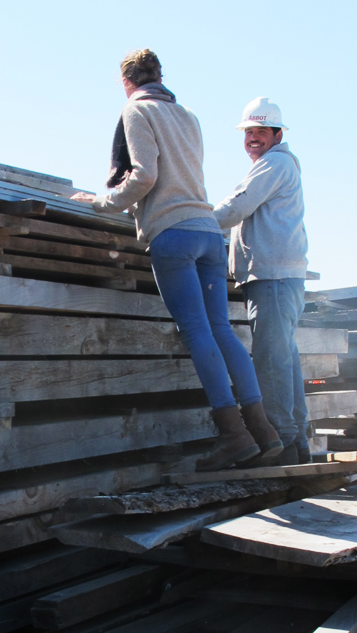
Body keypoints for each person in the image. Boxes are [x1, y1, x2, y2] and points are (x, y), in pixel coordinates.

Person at [71, 50, 281, 470]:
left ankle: (234, 436)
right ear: (160, 76)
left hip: (174, 233)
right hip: (207, 231)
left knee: (197, 332)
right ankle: (264, 431)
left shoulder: (136, 110)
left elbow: (145, 175)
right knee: (222, 330)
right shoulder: (187, 115)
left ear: (126, 81)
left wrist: (103, 203)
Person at [213, 96, 310, 464]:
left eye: (260, 131)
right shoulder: (277, 165)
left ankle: (281, 443)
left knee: (270, 361)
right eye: (248, 132)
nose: (253, 138)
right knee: (284, 358)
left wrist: (190, 219)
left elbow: (237, 207)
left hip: (272, 277)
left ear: (277, 134)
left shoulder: (274, 164)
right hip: (282, 277)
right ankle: (296, 442)